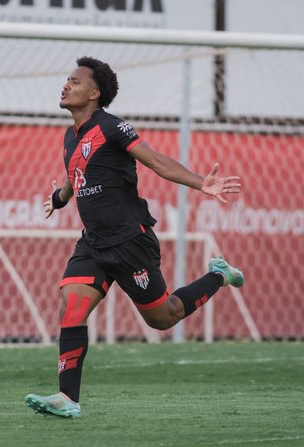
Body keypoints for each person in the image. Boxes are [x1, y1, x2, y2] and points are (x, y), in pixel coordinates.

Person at [25, 57, 244, 418]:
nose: (66, 85)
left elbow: (156, 162)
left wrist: (200, 182)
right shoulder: (70, 136)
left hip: (130, 241)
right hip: (93, 242)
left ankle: (218, 275)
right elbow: (72, 177)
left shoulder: (113, 128)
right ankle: (68, 399)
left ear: (95, 93)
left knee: (163, 317)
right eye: (66, 79)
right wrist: (58, 200)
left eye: (75, 82)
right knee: (71, 306)